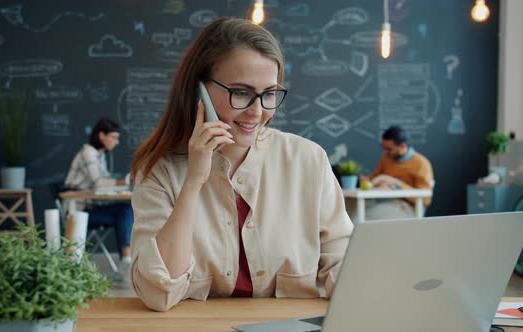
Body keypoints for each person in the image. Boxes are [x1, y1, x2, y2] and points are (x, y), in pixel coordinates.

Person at [129, 17, 353, 312]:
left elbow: (343, 263)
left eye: (269, 94)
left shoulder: (308, 159)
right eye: (242, 93)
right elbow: (158, 292)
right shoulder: (160, 170)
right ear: (200, 91)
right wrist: (194, 179)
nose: (257, 112)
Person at [64, 117, 133, 277]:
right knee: (124, 211)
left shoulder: (99, 155)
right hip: (78, 213)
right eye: (114, 137)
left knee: (125, 209)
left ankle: (126, 258)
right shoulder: (88, 153)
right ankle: (126, 258)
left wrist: (122, 183)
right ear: (102, 135)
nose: (116, 142)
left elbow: (105, 180)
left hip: (90, 208)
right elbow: (99, 183)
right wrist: (125, 181)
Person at [357, 125, 434, 220]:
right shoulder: (387, 159)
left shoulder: (421, 163)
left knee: (363, 215)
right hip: (383, 201)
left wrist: (397, 185)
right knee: (352, 209)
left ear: (402, 146)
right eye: (383, 148)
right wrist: (366, 180)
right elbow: (373, 179)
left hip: (405, 207)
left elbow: (425, 200)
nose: (385, 152)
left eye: (389, 149)